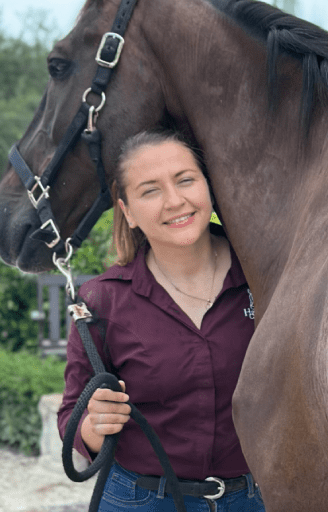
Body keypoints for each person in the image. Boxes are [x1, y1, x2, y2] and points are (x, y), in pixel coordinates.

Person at [57, 131, 263, 512]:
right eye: (150, 191)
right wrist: (95, 426)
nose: (174, 201)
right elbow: (71, 413)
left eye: (185, 180)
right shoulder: (101, 301)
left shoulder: (264, 278)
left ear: (209, 187)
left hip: (256, 499)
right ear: (128, 212)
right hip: (139, 501)